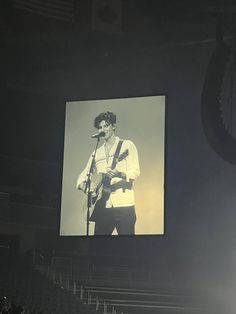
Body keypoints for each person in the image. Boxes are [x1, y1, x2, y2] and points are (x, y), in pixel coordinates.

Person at [76, 111, 140, 235]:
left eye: (106, 125)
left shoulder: (127, 145)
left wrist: (119, 174)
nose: (103, 129)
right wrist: (86, 187)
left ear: (113, 126)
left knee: (128, 246)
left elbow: (136, 171)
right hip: (103, 206)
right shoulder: (97, 152)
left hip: (124, 205)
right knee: (98, 247)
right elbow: (82, 176)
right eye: (100, 127)